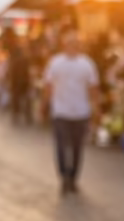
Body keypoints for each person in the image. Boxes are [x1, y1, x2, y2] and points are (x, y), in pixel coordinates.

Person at [42, 31, 101, 194]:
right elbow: (48, 87)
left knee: (72, 147)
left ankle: (69, 177)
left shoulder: (84, 64)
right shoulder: (61, 63)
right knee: (70, 146)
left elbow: (93, 89)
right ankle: (68, 177)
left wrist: (96, 108)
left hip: (74, 112)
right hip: (66, 111)